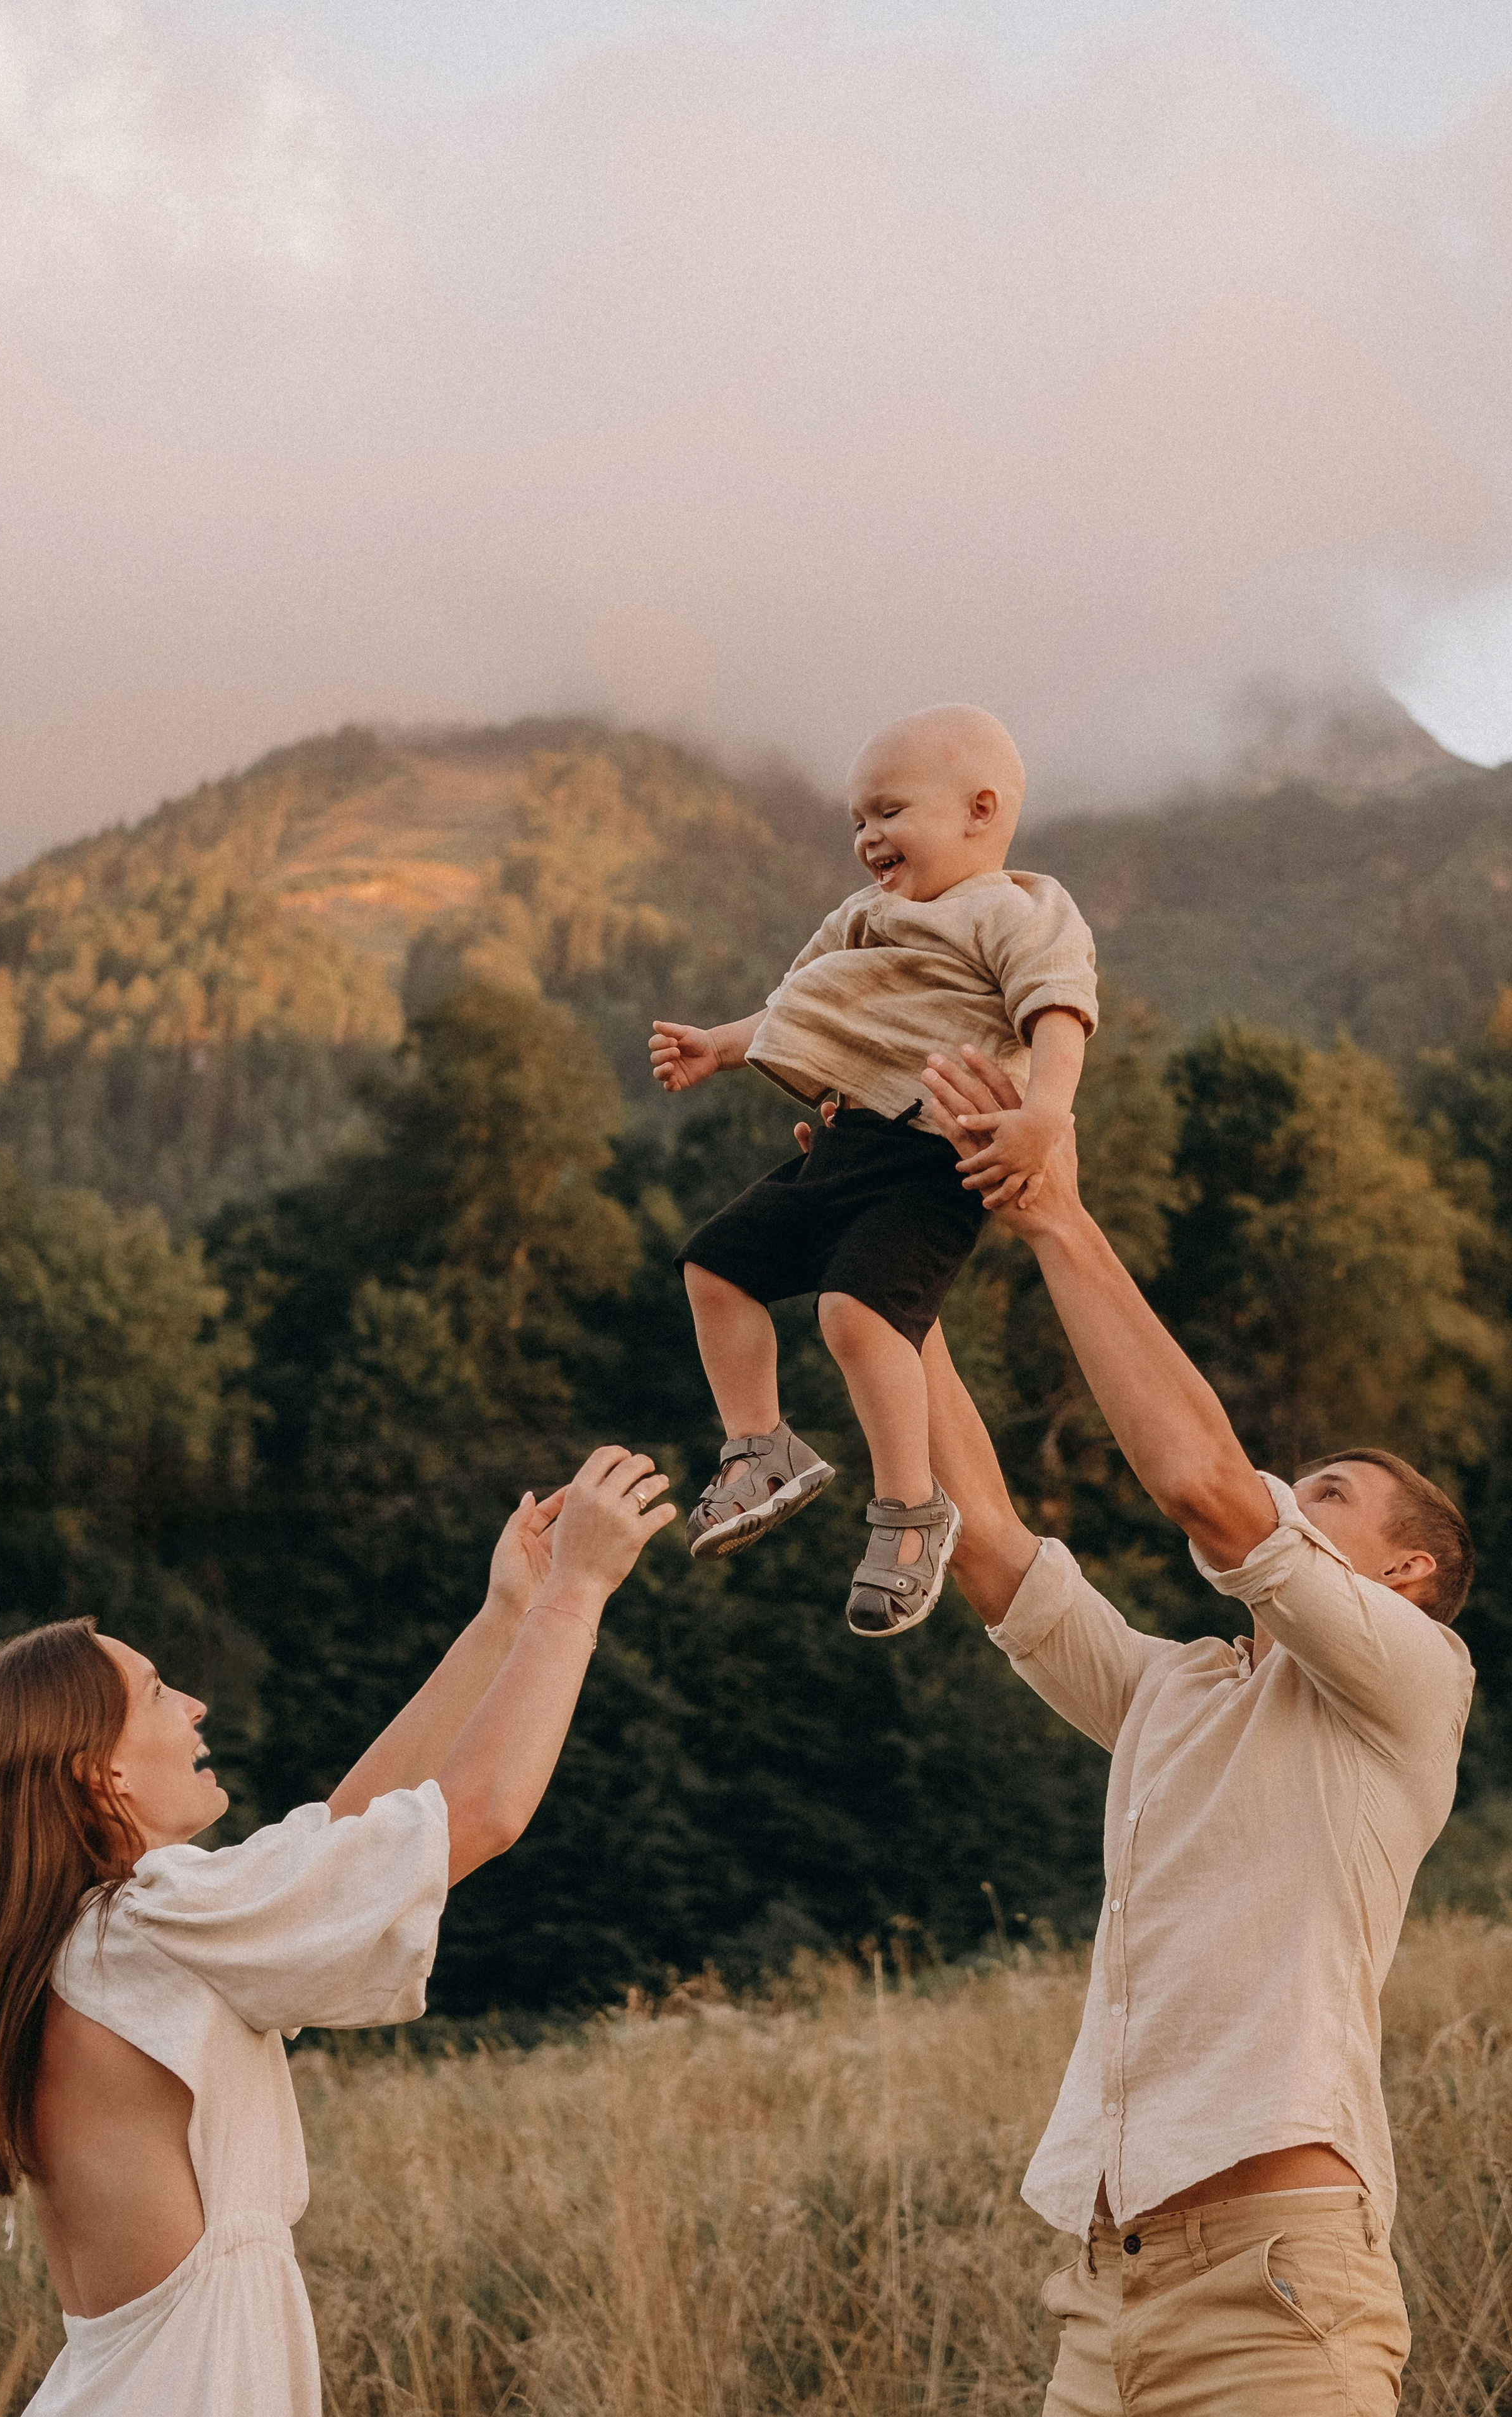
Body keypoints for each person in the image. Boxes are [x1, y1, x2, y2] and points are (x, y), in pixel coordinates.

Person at [911, 1043, 1475, 2415]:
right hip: (1101, 2303)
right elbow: (985, 1546)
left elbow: (1206, 1488)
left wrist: (1052, 1211)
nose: (1292, 1490)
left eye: (1328, 1494)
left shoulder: (1413, 1679)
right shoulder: (1172, 1691)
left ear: (1403, 1575)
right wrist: (881, 1277)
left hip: (1277, 2295)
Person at [0, 1445, 675, 2417]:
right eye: (154, 1692)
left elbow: (344, 1848)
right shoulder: (147, 1923)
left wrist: (504, 1620)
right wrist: (578, 1594)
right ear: (100, 1777)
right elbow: (479, 1814)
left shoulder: (106, 1942)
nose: (194, 1704)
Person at [649, 703, 1097, 1638]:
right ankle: (759, 1447)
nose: (867, 838)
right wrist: (717, 1048)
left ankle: (911, 1508)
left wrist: (1045, 1117)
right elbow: (794, 1007)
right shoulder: (863, 917)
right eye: (857, 820)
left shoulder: (1013, 911)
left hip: (934, 1158)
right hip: (845, 1141)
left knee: (855, 1313)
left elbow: (1057, 1012)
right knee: (715, 1265)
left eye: (889, 812)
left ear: (980, 811)